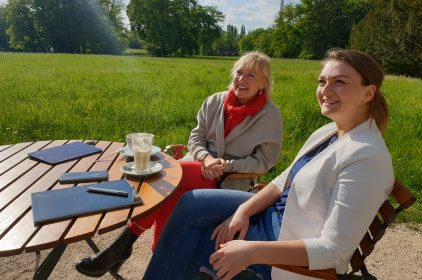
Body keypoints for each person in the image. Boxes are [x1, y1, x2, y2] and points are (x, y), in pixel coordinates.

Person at [140, 49, 394, 280]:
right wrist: (244, 211)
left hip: (281, 249)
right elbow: (283, 179)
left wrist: (251, 251)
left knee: (186, 239)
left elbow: (333, 252)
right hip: (271, 217)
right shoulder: (329, 131)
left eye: (340, 82)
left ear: (368, 92)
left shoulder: (367, 158)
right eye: (322, 81)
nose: (325, 90)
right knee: (190, 203)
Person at [75, 52, 283, 277]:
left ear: (264, 83)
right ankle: (146, 252)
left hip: (230, 180)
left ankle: (125, 242)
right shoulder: (214, 101)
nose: (241, 79)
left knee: (166, 174)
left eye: (250, 75)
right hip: (198, 165)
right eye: (239, 72)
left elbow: (265, 162)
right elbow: (196, 138)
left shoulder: (270, 115)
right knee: (174, 191)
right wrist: (205, 158)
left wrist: (227, 165)